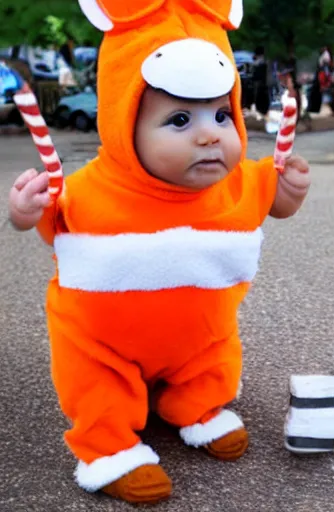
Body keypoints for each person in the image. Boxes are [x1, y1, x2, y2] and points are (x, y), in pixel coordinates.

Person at [7, 0, 311, 506]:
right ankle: (107, 448)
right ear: (123, 124)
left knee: (213, 356)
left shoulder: (236, 181)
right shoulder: (89, 191)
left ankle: (198, 405)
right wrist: (23, 208)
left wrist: (292, 192)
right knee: (97, 381)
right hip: (103, 344)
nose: (210, 134)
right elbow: (46, 222)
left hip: (199, 337)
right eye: (178, 119)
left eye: (221, 114)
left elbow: (273, 201)